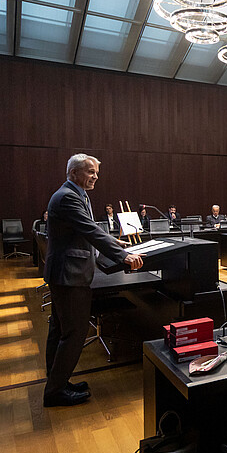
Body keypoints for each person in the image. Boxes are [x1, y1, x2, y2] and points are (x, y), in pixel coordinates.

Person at [43, 154, 143, 407]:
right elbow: (89, 230)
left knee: (60, 330)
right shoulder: (68, 197)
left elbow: (87, 228)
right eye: (90, 172)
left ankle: (57, 382)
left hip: (64, 273)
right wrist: (123, 255)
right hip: (69, 275)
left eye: (97, 172)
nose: (95, 177)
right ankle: (55, 391)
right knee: (74, 333)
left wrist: (114, 242)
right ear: (74, 173)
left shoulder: (76, 194)